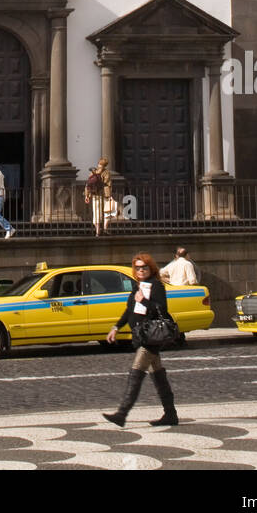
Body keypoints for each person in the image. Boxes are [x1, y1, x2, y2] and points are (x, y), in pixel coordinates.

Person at [103, 252, 179, 428]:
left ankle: (122, 414)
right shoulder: (139, 285)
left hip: (150, 337)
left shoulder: (156, 286)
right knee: (158, 376)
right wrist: (116, 327)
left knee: (136, 374)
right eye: (137, 267)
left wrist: (144, 300)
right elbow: (130, 310)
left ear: (150, 268)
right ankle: (171, 414)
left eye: (144, 267)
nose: (141, 270)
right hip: (142, 335)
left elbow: (161, 309)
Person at [85, 158, 112, 236]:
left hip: (95, 195)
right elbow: (108, 184)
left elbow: (88, 185)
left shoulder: (93, 173)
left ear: (98, 164)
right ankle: (105, 229)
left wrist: (87, 196)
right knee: (108, 212)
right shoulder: (107, 173)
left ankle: (97, 231)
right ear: (106, 165)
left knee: (96, 212)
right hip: (105, 195)